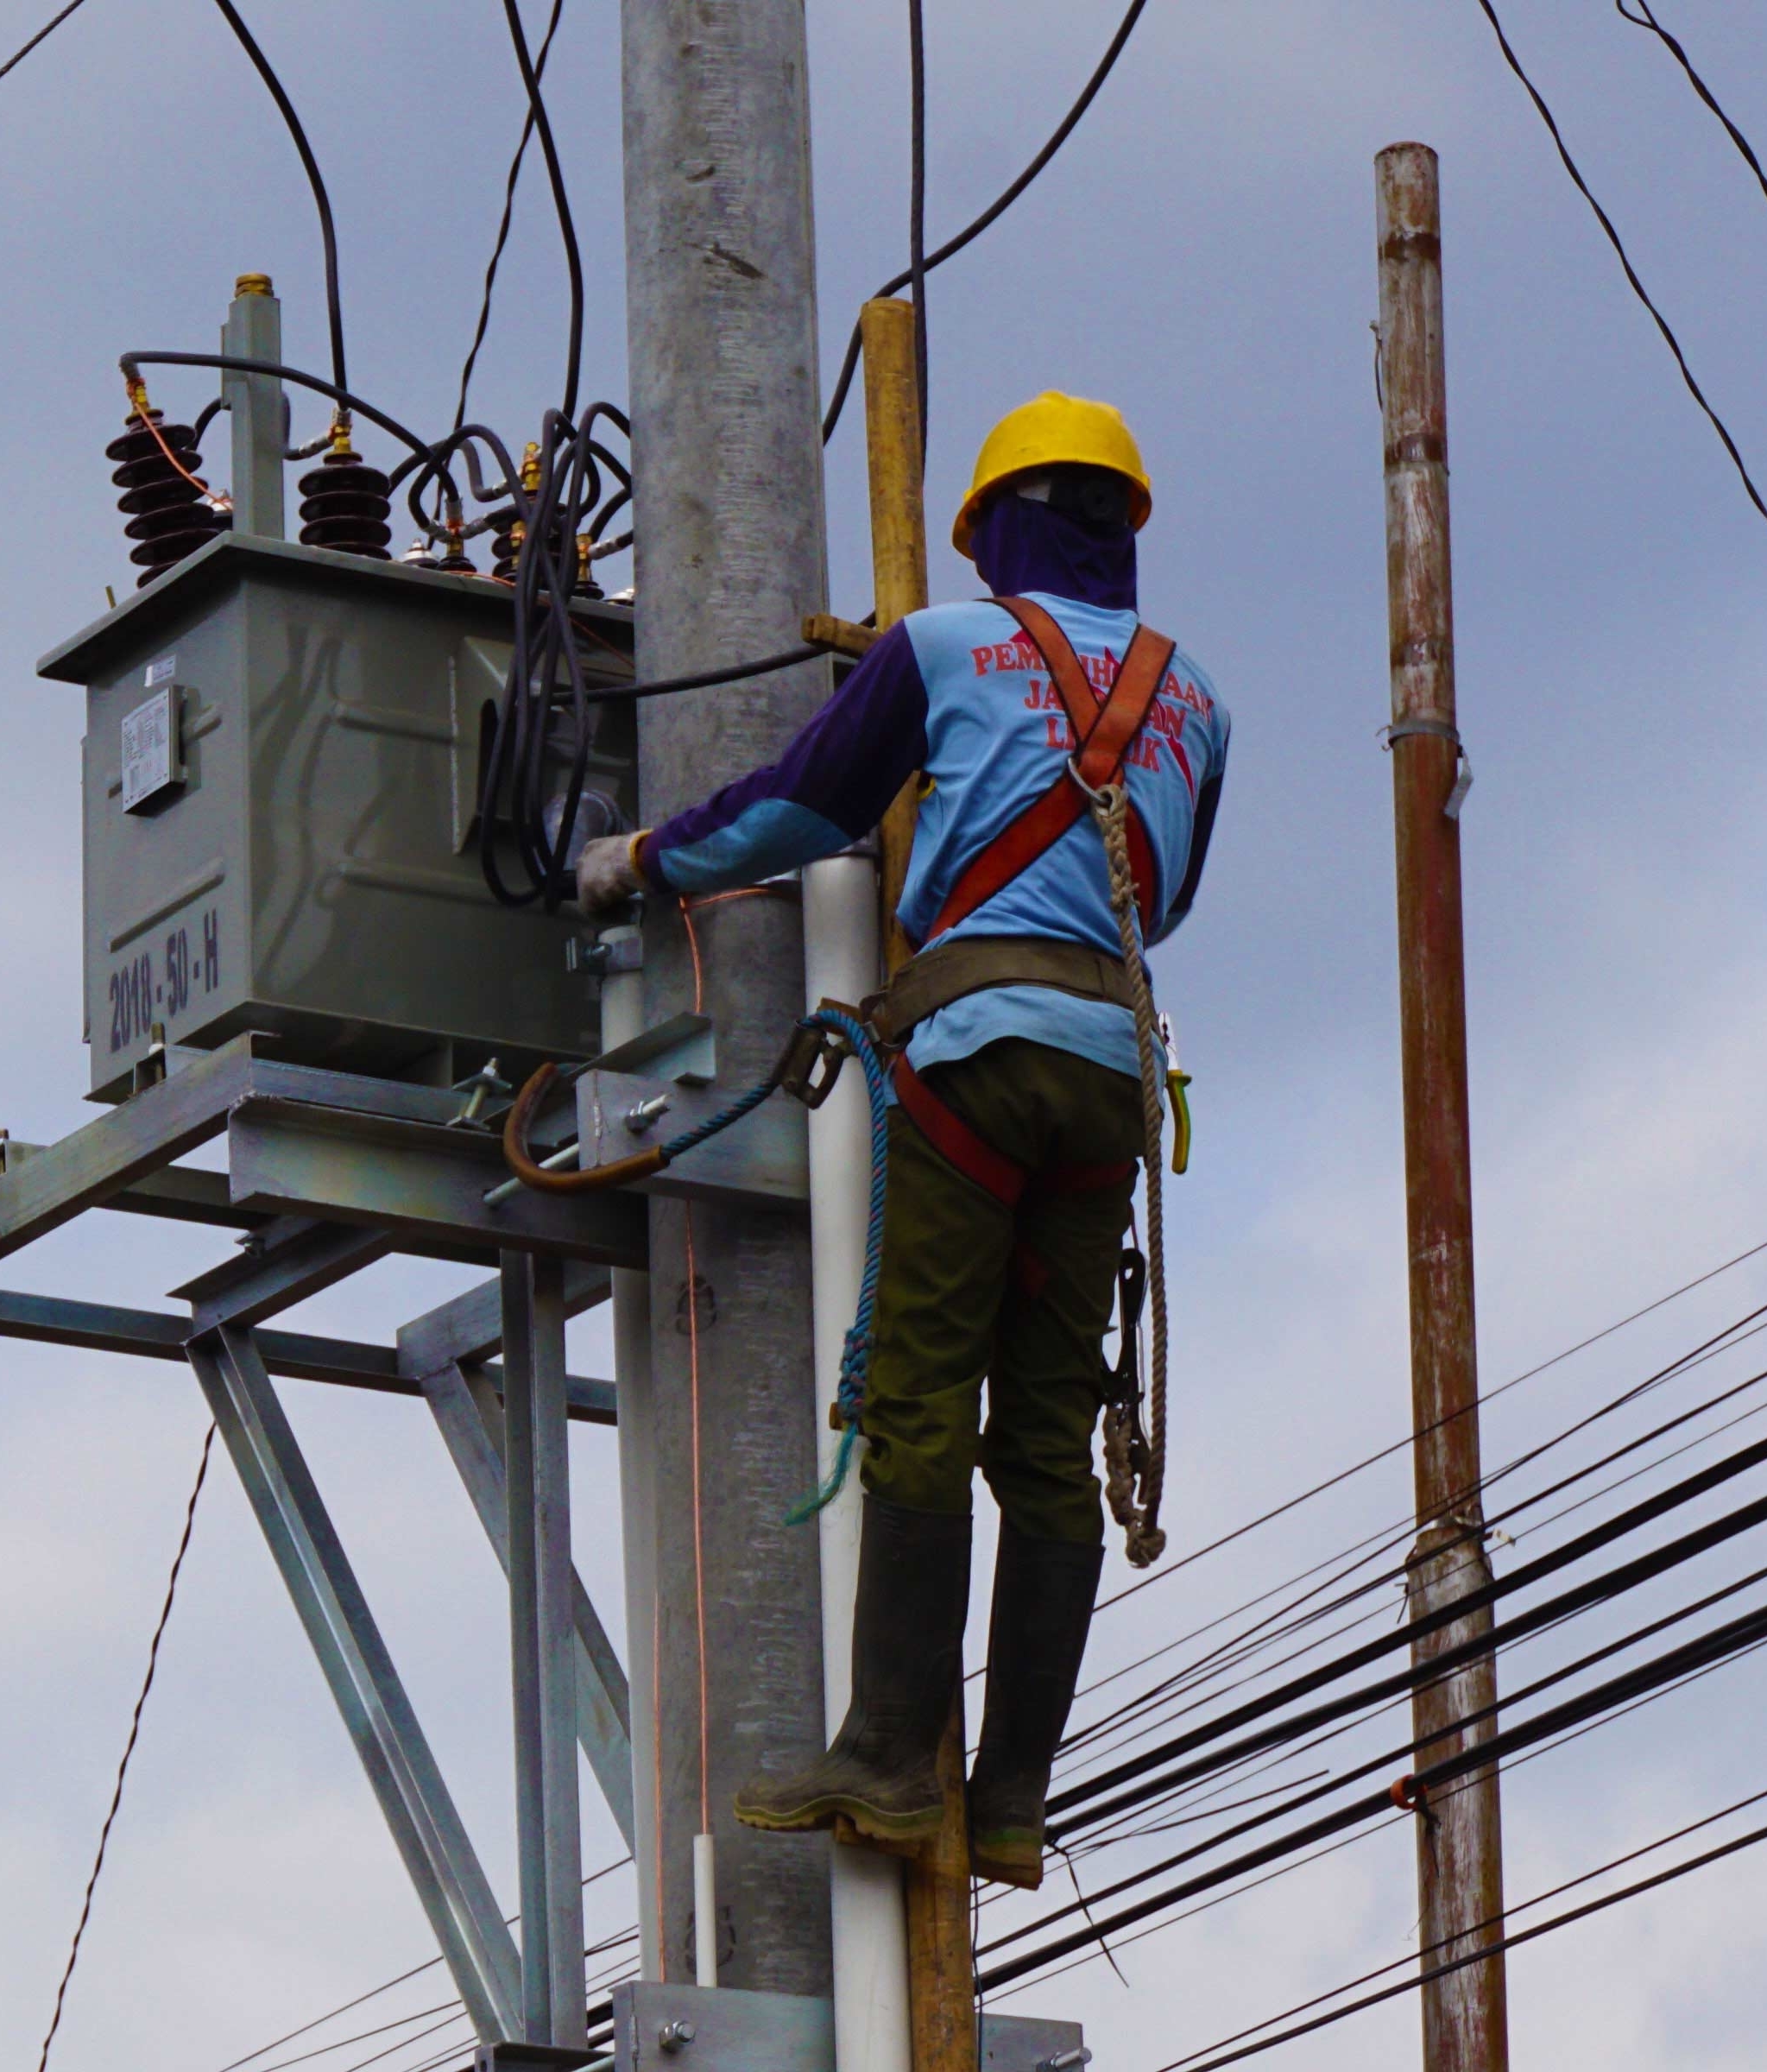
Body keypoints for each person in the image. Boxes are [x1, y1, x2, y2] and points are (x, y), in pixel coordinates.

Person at [572, 391, 1230, 1888]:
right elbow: (1165, 896)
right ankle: (1010, 1801)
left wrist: (639, 860)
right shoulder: (1200, 697)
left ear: (991, 530)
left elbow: (799, 812)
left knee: (920, 1399)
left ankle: (887, 1761)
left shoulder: (936, 649)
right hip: (1111, 1078)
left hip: (977, 1061)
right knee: (1047, 1437)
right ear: (1124, 527)